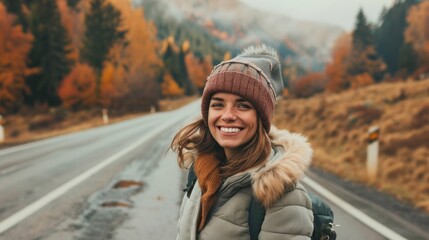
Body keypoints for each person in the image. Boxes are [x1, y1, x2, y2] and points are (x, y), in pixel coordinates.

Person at [171, 44, 314, 240]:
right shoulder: (201, 171)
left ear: (261, 117)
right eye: (218, 104)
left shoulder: (282, 195)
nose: (227, 115)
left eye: (242, 105)